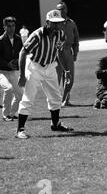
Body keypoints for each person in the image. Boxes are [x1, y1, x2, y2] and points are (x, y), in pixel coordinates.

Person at [16, 9, 74, 139]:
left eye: (58, 23)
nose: (56, 26)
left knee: (56, 97)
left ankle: (55, 124)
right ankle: (20, 129)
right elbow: (22, 53)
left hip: (50, 66)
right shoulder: (37, 35)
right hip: (35, 67)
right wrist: (21, 75)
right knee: (28, 98)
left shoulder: (61, 34)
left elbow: (57, 52)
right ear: (47, 22)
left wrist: (66, 70)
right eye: (53, 23)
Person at [55, 2, 80, 107]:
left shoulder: (72, 23)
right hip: (56, 54)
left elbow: (76, 39)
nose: (61, 11)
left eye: (62, 9)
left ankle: (66, 99)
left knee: (69, 77)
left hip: (68, 52)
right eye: (59, 9)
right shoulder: (54, 23)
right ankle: (56, 101)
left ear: (66, 10)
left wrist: (75, 53)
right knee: (57, 78)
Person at [0, 16, 23, 121]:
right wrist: (7, 64)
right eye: (8, 26)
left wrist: (17, 62)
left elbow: (22, 54)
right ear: (4, 27)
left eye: (13, 25)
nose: (11, 28)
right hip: (2, 72)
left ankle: (12, 113)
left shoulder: (18, 38)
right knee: (8, 89)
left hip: (13, 71)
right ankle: (5, 115)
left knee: (20, 94)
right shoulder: (1, 40)